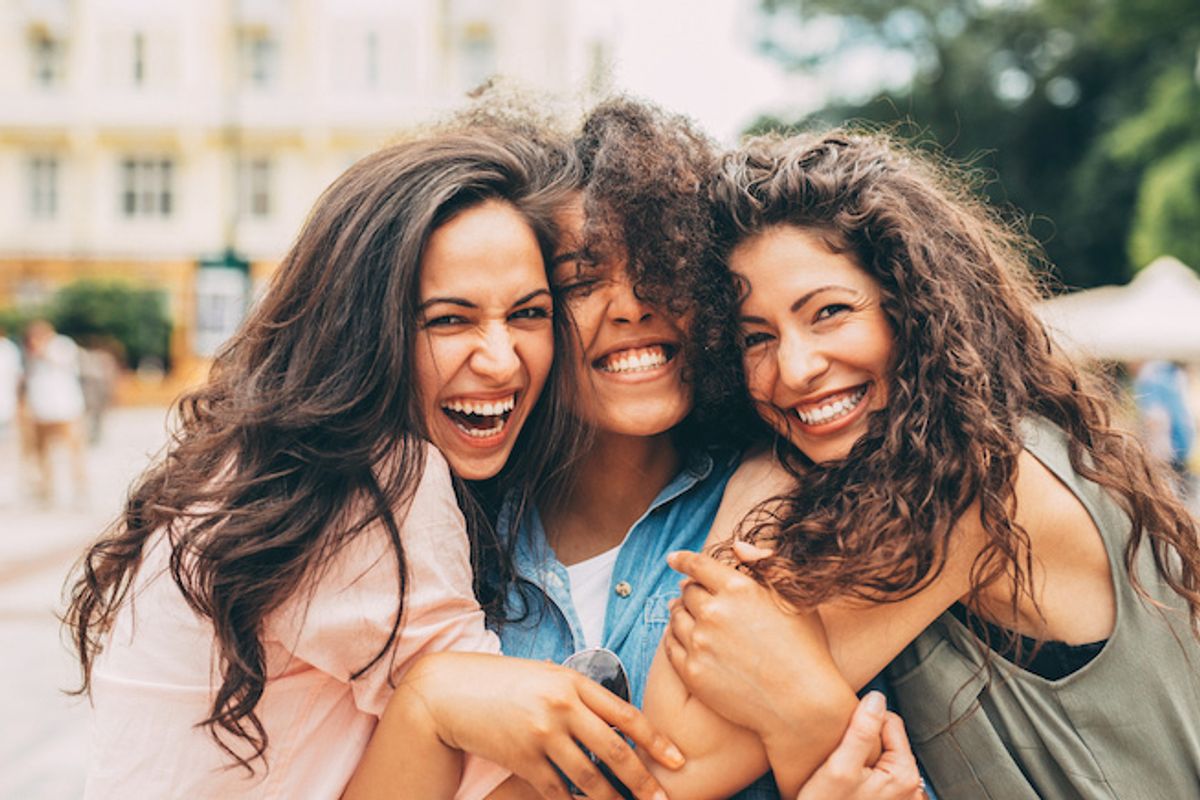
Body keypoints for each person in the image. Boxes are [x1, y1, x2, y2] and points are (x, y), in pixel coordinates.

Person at [64, 125, 682, 800]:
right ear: (362, 328)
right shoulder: (370, 485)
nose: (502, 359)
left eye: (529, 313)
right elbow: (535, 768)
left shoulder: (265, 467)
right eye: (449, 320)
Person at [347, 103, 921, 800]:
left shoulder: (800, 509)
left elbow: (880, 769)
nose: (631, 306)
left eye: (661, 266)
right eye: (581, 281)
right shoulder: (437, 548)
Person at [654, 130, 1200, 799]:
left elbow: (680, 758)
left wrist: (756, 471)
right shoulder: (993, 442)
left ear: (913, 308)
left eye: (829, 313)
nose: (794, 369)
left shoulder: (978, 486)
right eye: (755, 338)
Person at [23, 318, 87, 505]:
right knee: (42, 454)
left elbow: (64, 362)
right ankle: (47, 490)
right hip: (41, 412)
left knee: (74, 452)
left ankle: (80, 488)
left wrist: (42, 350)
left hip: (66, 410)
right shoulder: (30, 355)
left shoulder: (62, 345)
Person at [1132, 359, 1195, 497]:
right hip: (1181, 443)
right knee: (1181, 490)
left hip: (1164, 447)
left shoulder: (1150, 378)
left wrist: (1145, 444)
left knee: (1166, 490)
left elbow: (1154, 418)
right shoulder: (1172, 376)